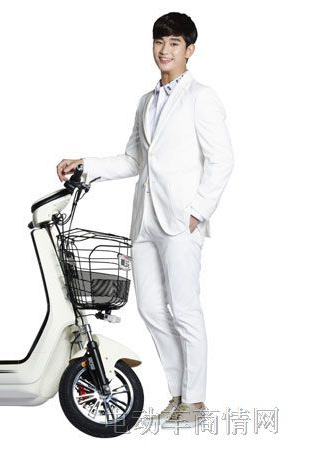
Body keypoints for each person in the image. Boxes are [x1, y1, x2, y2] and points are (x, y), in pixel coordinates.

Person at [56, 12, 234, 428]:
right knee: (151, 309)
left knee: (185, 310)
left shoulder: (201, 97)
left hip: (180, 221)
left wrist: (197, 212)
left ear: (190, 50)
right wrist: (87, 163)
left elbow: (222, 160)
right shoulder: (146, 101)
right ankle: (179, 393)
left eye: (174, 43)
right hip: (145, 221)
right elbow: (134, 160)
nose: (164, 50)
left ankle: (195, 401)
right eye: (159, 42)